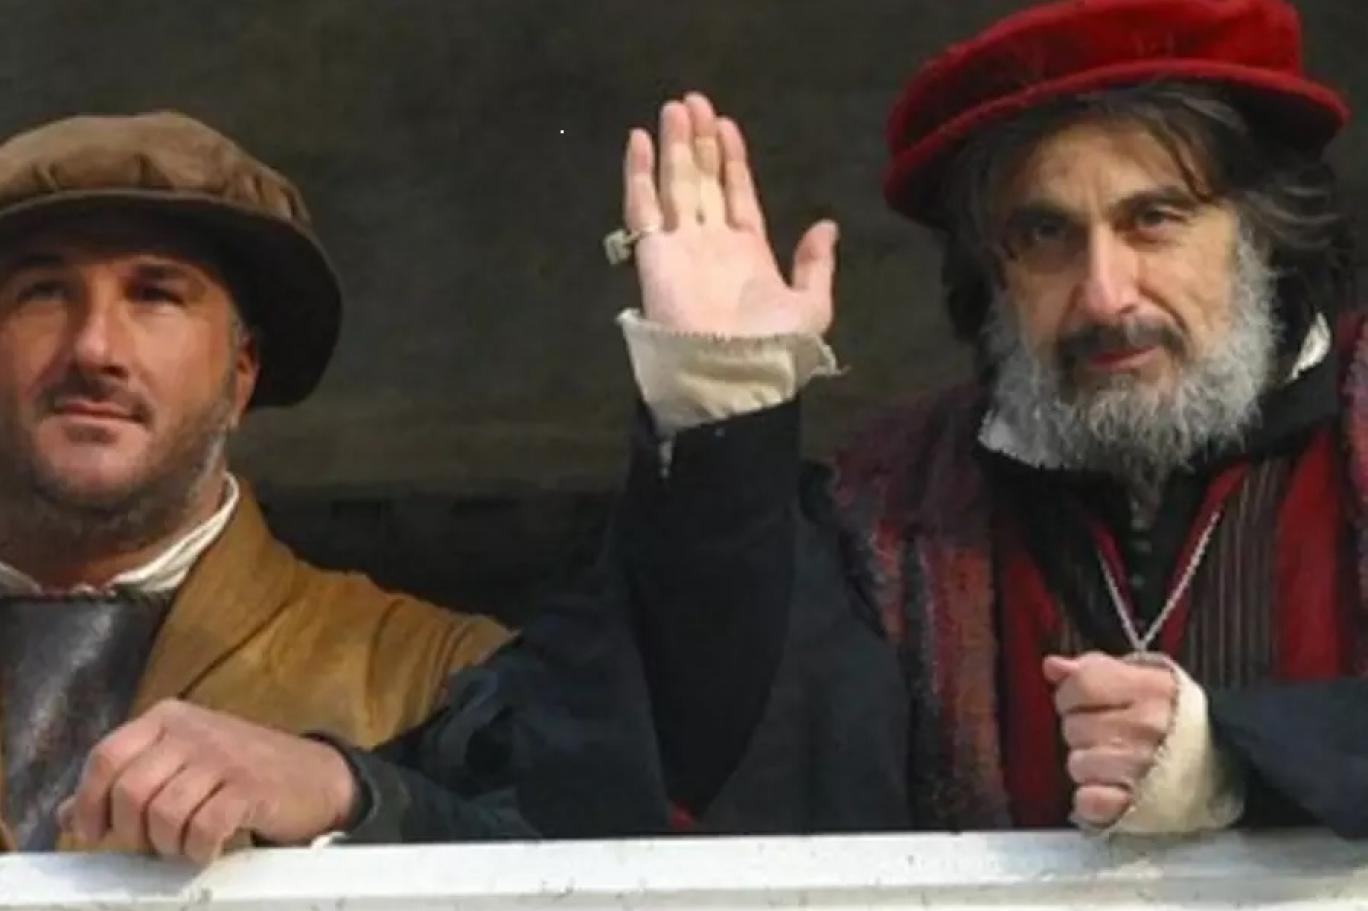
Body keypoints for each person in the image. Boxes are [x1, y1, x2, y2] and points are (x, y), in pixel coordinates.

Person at [602, 0, 1368, 836]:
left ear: (1260, 231)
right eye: (1045, 234)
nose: (1105, 295)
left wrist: (1233, 757)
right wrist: (724, 412)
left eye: (1154, 219)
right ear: (995, 274)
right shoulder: (898, 500)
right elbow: (729, 760)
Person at [0, 111, 518, 862]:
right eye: (44, 293)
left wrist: (350, 791)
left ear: (241, 373)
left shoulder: (432, 671)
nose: (94, 347)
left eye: (156, 295)